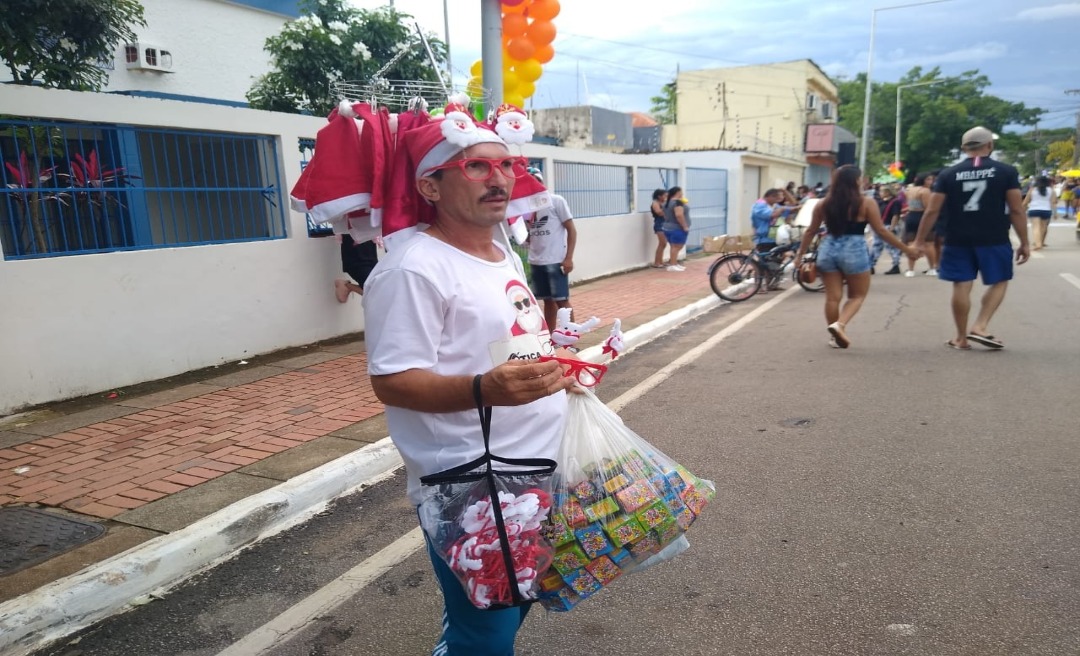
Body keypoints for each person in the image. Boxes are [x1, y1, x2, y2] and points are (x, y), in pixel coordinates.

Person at [362, 114, 577, 655]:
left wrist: (554, 364)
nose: (498, 179)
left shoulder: (501, 250)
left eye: (506, 165)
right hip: (472, 484)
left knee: (505, 611)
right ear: (430, 185)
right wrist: (484, 390)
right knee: (485, 632)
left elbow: (502, 340)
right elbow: (392, 381)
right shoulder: (412, 269)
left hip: (533, 468)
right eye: (476, 166)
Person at [915, 126, 1030, 350]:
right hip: (994, 237)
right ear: (990, 145)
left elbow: (932, 211)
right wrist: (1025, 242)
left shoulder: (948, 174)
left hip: (956, 237)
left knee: (961, 284)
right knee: (999, 280)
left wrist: (919, 240)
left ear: (963, 148)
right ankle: (980, 325)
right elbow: (1016, 209)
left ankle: (961, 338)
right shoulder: (1006, 171)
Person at [794, 165, 916, 349]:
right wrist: (906, 249)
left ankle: (834, 336)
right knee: (857, 295)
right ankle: (840, 325)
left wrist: (799, 256)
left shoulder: (823, 204)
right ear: (856, 181)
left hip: (828, 248)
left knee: (832, 298)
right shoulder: (866, 203)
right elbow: (881, 231)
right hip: (854, 249)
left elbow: (811, 231)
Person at [525, 168, 578, 332]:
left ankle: (571, 337)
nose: (533, 185)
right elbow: (527, 234)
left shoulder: (556, 201)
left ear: (541, 182)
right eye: (528, 181)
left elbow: (571, 229)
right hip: (536, 261)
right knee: (547, 301)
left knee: (562, 301)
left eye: (536, 180)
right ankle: (551, 337)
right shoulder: (524, 207)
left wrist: (568, 258)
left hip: (555, 261)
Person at [901, 172, 938, 277]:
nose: (931, 182)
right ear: (923, 180)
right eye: (929, 179)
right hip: (922, 216)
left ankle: (911, 269)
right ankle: (932, 268)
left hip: (911, 215)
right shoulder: (925, 191)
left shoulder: (909, 190)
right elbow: (928, 208)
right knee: (929, 244)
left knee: (911, 244)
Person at [334, 234, 379, 302]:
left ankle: (347, 286)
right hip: (357, 257)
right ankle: (346, 285)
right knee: (374, 289)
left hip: (368, 249)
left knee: (376, 287)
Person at [871, 184, 903, 275]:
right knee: (876, 246)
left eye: (882, 191)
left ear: (888, 192)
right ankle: (871, 265)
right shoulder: (881, 202)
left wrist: (892, 227)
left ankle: (896, 265)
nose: (880, 193)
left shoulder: (895, 202)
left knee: (891, 247)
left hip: (889, 225)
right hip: (881, 225)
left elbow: (895, 215)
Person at [1023, 175, 1056, 250]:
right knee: (1043, 227)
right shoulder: (1051, 190)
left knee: (1036, 227)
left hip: (1034, 209)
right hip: (1046, 210)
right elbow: (1053, 202)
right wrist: (1055, 213)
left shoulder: (1032, 190)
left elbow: (1026, 201)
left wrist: (1022, 210)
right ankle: (1040, 241)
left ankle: (1038, 244)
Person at [662, 186, 690, 271]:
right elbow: (679, 215)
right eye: (681, 192)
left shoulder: (666, 203)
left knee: (673, 246)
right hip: (677, 228)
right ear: (678, 192)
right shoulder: (678, 203)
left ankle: (674, 263)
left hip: (667, 227)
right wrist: (684, 226)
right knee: (677, 246)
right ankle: (672, 265)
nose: (682, 194)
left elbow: (665, 214)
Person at [649, 188, 669, 268]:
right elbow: (659, 212)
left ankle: (660, 261)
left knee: (664, 244)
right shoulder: (655, 203)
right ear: (659, 196)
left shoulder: (664, 203)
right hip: (659, 224)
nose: (666, 196)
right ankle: (657, 262)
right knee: (662, 243)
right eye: (664, 195)